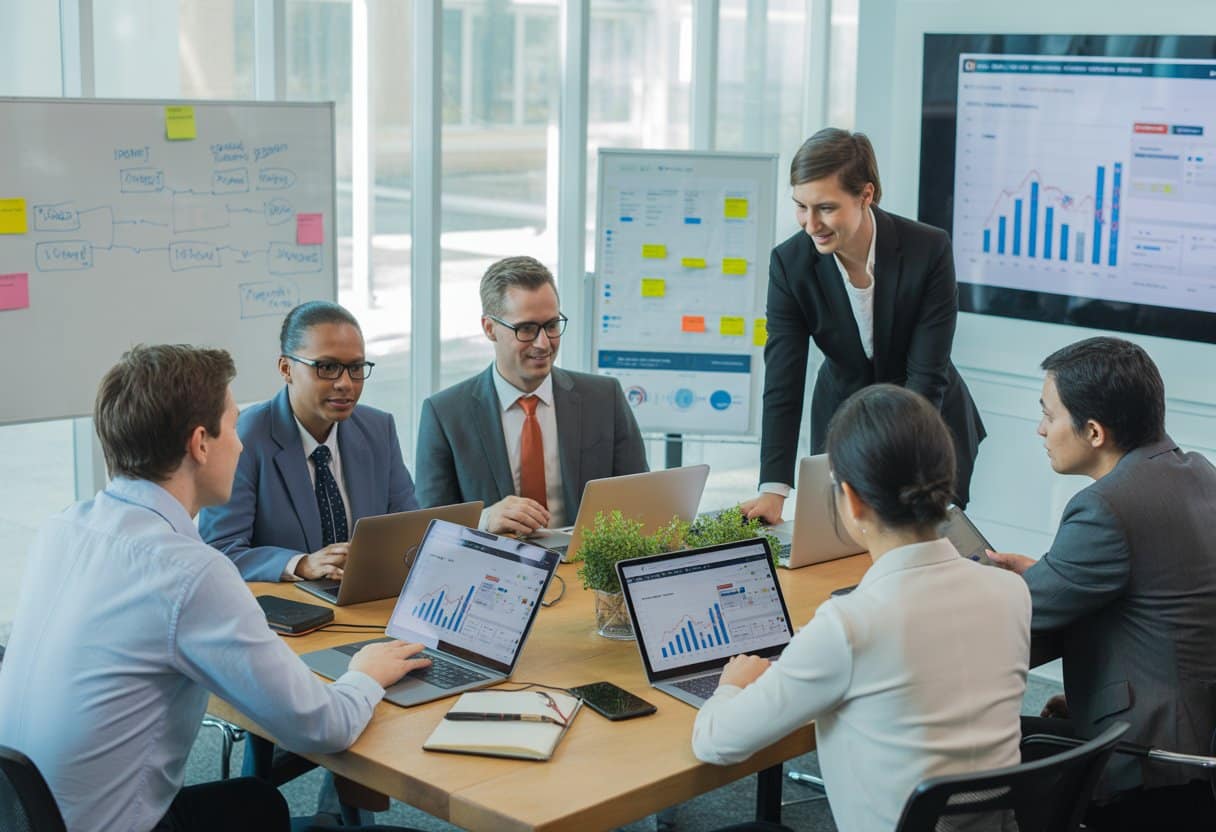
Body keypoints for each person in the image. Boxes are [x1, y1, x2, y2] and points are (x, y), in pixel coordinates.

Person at [0, 345, 431, 832]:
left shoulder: (62, 529)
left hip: (34, 816)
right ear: (200, 444)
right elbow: (323, 727)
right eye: (234, 427)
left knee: (255, 802)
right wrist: (367, 673)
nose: (242, 446)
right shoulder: (187, 571)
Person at [693, 384, 1030, 832]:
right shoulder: (1010, 591)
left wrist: (732, 686)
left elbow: (715, 742)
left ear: (851, 499)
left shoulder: (849, 626)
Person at [987, 337, 1216, 830]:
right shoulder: (1198, 472)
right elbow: (1149, 585)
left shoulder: (1106, 507)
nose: (1040, 428)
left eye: (1048, 414)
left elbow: (1015, 617)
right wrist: (1051, 574)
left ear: (1093, 432)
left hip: (1147, 764)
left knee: (975, 747)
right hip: (1195, 737)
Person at [741, 128, 985, 525]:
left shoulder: (928, 249)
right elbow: (784, 379)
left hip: (926, 417)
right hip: (843, 415)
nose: (811, 224)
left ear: (866, 195)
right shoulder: (790, 264)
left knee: (919, 536)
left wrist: (901, 474)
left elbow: (926, 375)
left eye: (826, 208)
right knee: (842, 537)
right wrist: (774, 487)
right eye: (801, 206)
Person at [415, 256, 647, 536]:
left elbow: (640, 500)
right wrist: (484, 520)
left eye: (551, 325)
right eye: (526, 329)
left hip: (583, 560)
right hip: (493, 559)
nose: (543, 343)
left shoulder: (605, 399)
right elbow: (427, 524)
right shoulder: (446, 414)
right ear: (489, 328)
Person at [200, 301, 419, 582]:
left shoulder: (378, 429)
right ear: (286, 369)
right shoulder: (246, 437)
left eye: (355, 368)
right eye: (327, 367)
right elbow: (221, 550)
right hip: (282, 604)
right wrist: (299, 564)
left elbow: (410, 532)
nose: (345, 383)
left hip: (365, 598)